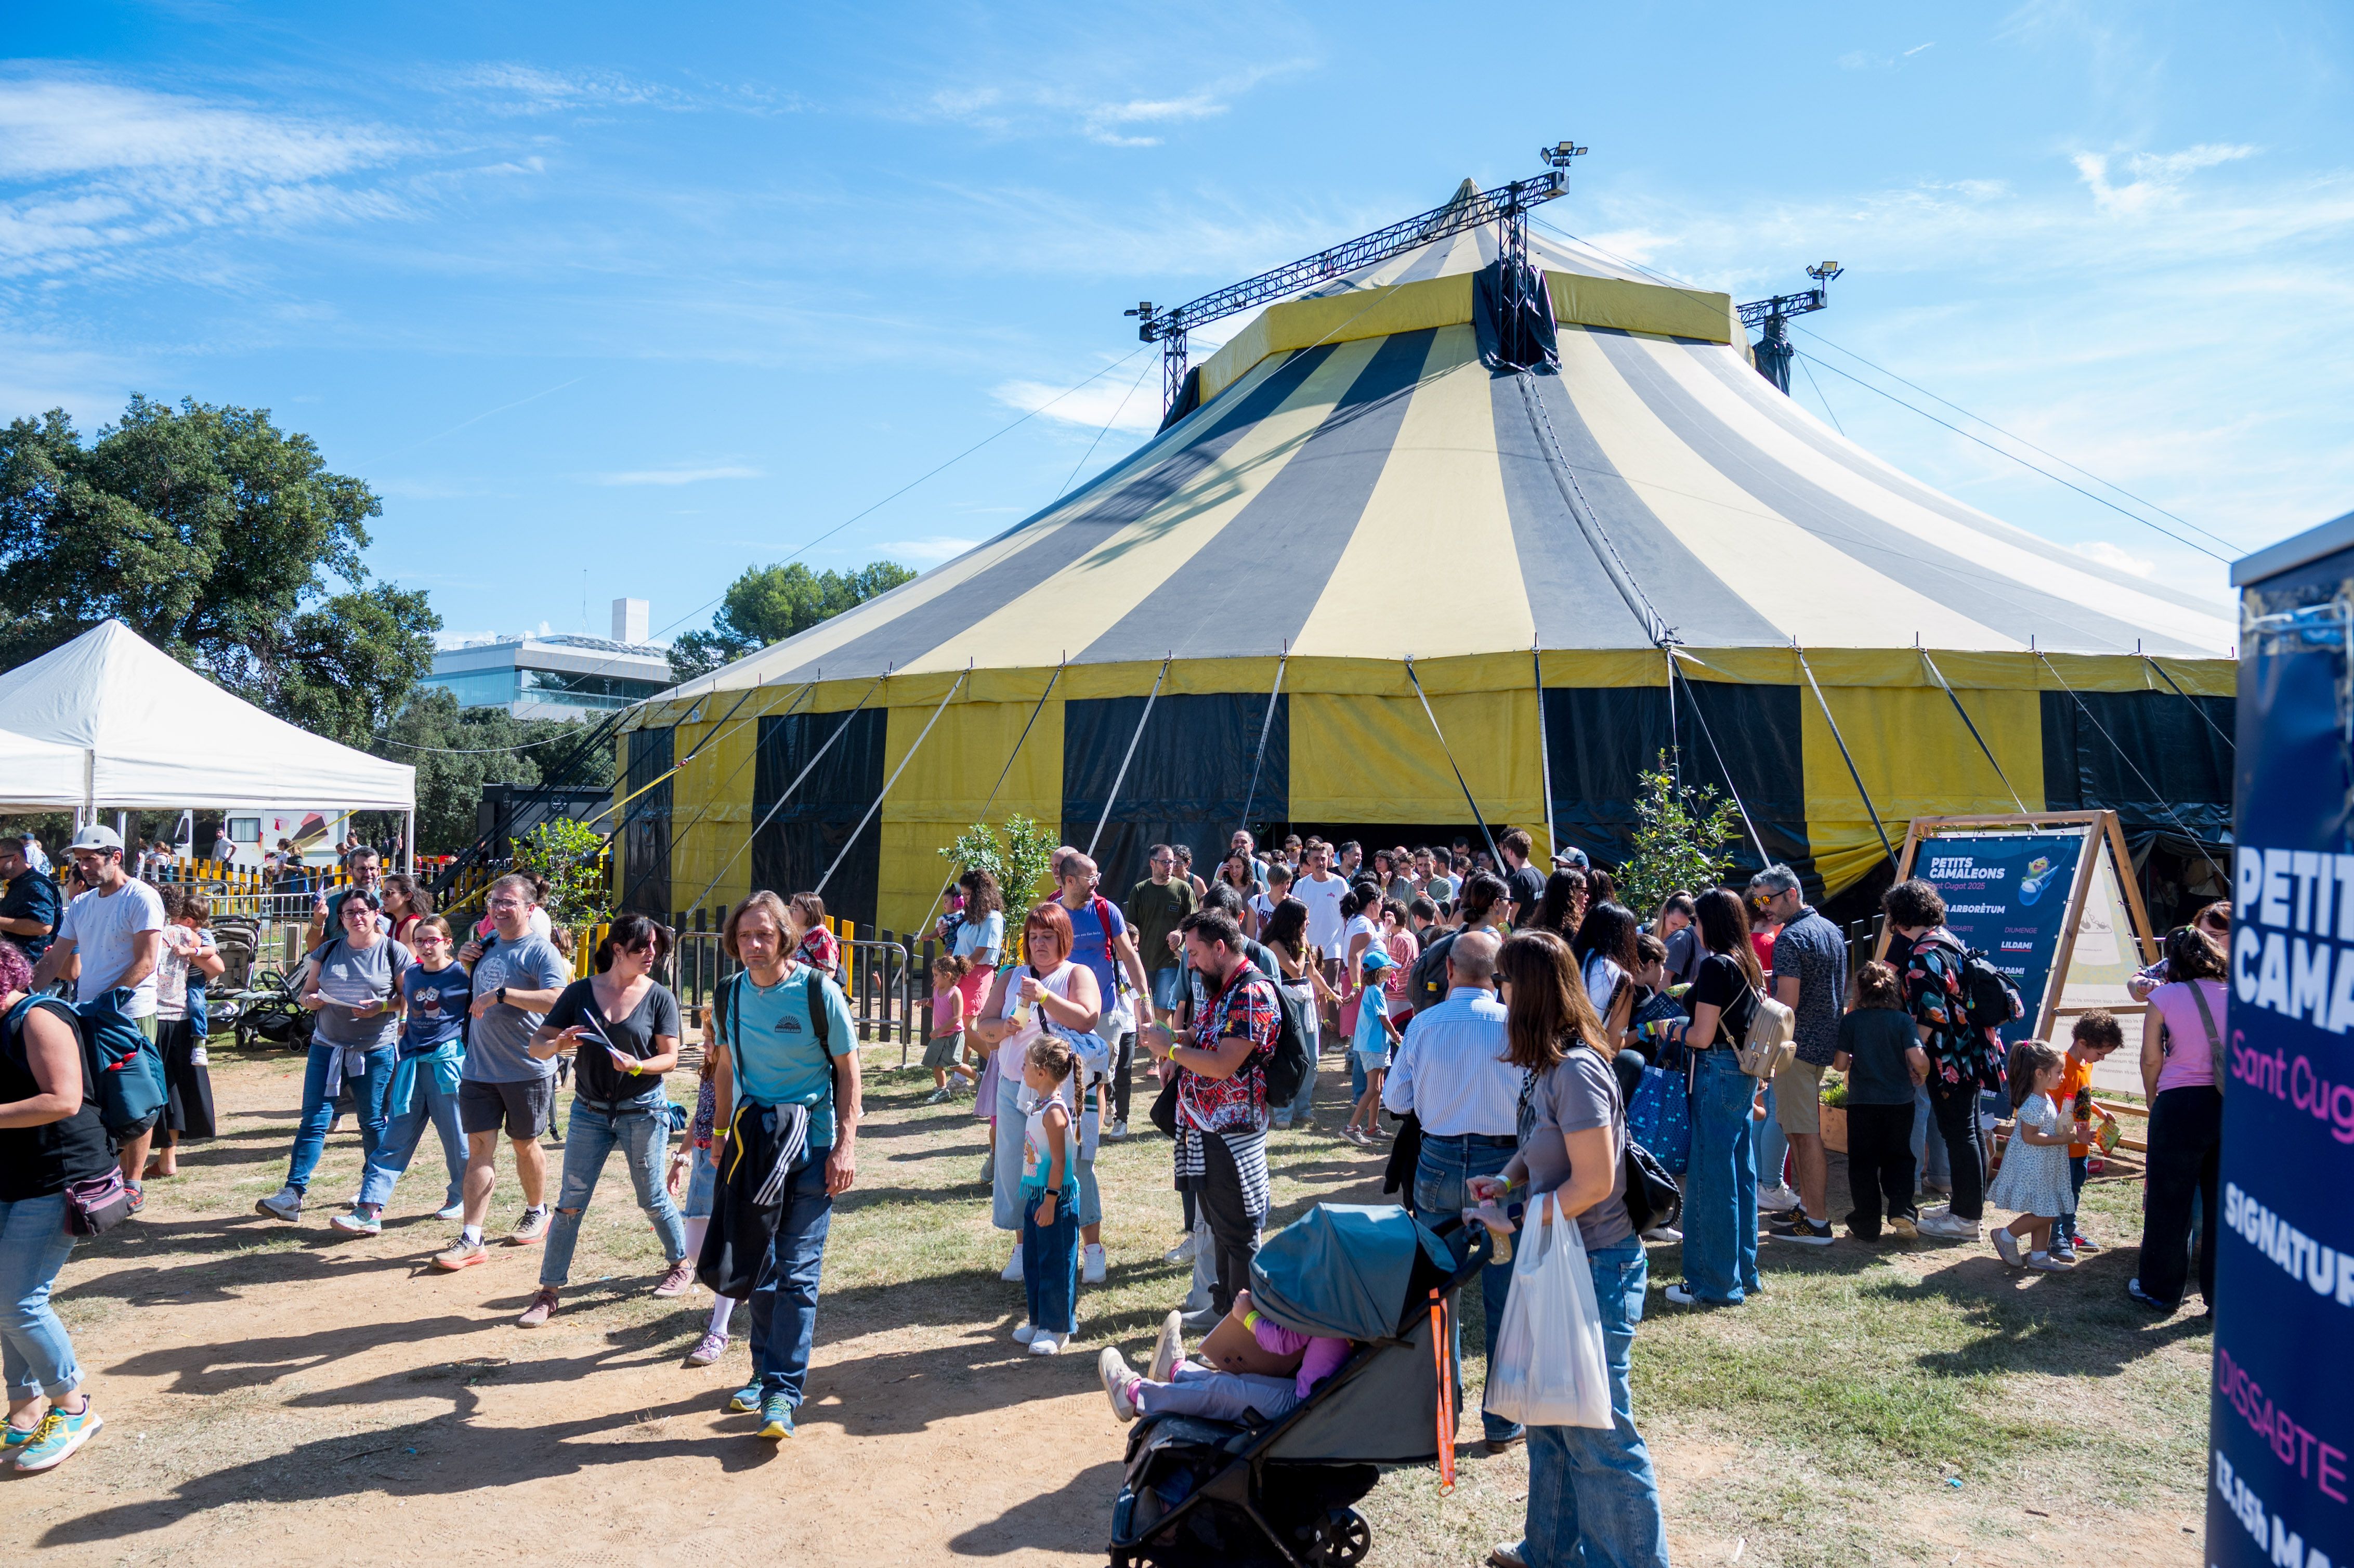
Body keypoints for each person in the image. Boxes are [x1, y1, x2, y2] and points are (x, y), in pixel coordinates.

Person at [1471, 928, 1670, 1568]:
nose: (1497, 994)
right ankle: (1549, 1549)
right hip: (1558, 1256)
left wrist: (1519, 1215)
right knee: (1551, 1417)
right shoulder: (1549, 1065)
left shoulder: (1580, 1069)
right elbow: (1543, 1147)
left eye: (1503, 983)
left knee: (1596, 1429)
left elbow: (1595, 1181)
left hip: (1593, 1264)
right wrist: (1506, 1180)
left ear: (1526, 990)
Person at [704, 891, 861, 1439]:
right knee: (761, 1267)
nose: (754, 944)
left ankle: (783, 1393)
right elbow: (724, 1068)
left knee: (797, 1271)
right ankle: (763, 1373)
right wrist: (718, 1133)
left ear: (785, 937)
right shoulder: (729, 993)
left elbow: (849, 1070)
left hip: (814, 1145)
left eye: (764, 934)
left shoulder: (818, 991)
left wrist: (846, 1144)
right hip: (755, 1145)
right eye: (745, 935)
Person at [1380, 927, 1524, 1449]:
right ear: (1497, 975)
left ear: (1448, 972)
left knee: (1439, 1293)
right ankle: (1503, 1421)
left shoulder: (1424, 1024)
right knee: (1504, 1294)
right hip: (1501, 1166)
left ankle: (1443, 1415)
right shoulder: (1515, 1025)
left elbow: (1397, 1101)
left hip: (1439, 1162)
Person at [516, 914, 694, 1326]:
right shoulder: (580, 992)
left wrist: (637, 1065)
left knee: (651, 1197)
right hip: (590, 1112)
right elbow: (537, 1046)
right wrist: (559, 1043)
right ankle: (548, 1291)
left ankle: (681, 1264)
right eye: (642, 948)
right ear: (617, 950)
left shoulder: (659, 997)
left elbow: (670, 1057)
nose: (652, 955)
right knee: (569, 1205)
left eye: (656, 948)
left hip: (643, 1110)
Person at [0, 937, 108, 1473]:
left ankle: (73, 1408)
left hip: (59, 1175)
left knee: (20, 1299)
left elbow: (63, 1098)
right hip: (14, 1174)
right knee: (4, 1296)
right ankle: (23, 1409)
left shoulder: (39, 1016)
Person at [1141, 910, 1279, 1321]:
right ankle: (1222, 1309)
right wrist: (1177, 1041)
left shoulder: (1251, 993)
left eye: (1196, 953)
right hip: (1207, 1128)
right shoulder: (1225, 987)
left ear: (1221, 948)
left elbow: (1223, 1064)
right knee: (1220, 1227)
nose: (1191, 963)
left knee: (1238, 1231)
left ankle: (1242, 1328)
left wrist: (1170, 1049)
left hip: (1232, 1134)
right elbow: (1209, 1038)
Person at [431, 875, 570, 1268]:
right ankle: (471, 1238)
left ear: (530, 909)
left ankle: (537, 1210)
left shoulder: (541, 952)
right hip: (479, 1066)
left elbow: (557, 1000)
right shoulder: (487, 945)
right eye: (494, 901)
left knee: (524, 1144)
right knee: (478, 1149)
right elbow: (467, 993)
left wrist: (504, 995)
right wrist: (463, 962)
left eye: (508, 902)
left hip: (527, 1067)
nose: (498, 908)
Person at [254, 886, 412, 1225]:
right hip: (328, 1046)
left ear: (375, 914)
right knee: (314, 1120)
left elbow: (406, 998)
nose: (356, 918)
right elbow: (307, 991)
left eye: (362, 911)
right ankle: (292, 1195)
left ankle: (372, 1200)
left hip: (375, 1050)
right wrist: (310, 1001)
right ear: (340, 919)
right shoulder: (327, 951)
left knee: (371, 1122)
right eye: (349, 913)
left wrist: (383, 1007)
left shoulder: (393, 952)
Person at [32, 826, 166, 1206]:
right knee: (93, 1099)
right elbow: (54, 960)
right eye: (80, 860)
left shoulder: (142, 897)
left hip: (130, 1015)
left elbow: (145, 963)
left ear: (116, 857)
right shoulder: (81, 905)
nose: (84, 867)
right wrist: (21, 995)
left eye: (91, 858)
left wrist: (106, 1001)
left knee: (136, 1097)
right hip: (88, 1015)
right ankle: (105, 1175)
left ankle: (134, 1182)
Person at [972, 901, 1104, 1286]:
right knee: (1017, 1168)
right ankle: (1022, 1246)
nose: (1039, 944)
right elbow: (985, 1027)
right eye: (1033, 937)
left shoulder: (1076, 973)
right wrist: (1004, 1028)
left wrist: (1044, 997)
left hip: (1062, 1091)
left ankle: (1092, 1249)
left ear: (1063, 939)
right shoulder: (1011, 976)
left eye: (1048, 936)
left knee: (1074, 1167)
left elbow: (1087, 1017)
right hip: (1015, 1086)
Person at [1649, 888, 1769, 1308]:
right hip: (1741, 1075)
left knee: (1710, 1179)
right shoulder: (1746, 962)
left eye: (1698, 921)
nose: (1694, 929)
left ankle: (1713, 1284)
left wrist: (1671, 1030)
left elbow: (1702, 1034)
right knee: (1739, 1173)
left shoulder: (1718, 966)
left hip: (1716, 1072)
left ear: (1709, 923)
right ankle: (1742, 1273)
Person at [1883, 878, 2000, 1243]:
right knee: (1967, 1132)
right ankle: (1967, 1209)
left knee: (1960, 1133)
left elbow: (1930, 1016)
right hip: (1972, 1051)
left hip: (1950, 1058)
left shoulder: (1921, 954)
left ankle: (1966, 1218)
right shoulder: (1946, 940)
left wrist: (1915, 1059)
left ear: (1899, 917)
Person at [342, 914, 470, 1231]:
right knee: (394, 1139)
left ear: (447, 942)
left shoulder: (464, 974)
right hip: (411, 1065)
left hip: (447, 1068)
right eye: (420, 941)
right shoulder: (412, 974)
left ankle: (461, 1197)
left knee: (457, 1139)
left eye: (433, 941)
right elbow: (403, 1000)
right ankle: (369, 1209)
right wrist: (382, 1008)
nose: (426, 947)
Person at [2129, 924, 2228, 1314]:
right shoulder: (2241, 997)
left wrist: (2154, 1095)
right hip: (2229, 1105)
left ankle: (2160, 1290)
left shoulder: (2166, 996)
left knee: (2169, 1202)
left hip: (2179, 1103)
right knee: (2225, 1206)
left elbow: (2151, 1057)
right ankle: (2222, 1298)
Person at [1748, 864, 1846, 1247]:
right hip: (1821, 1044)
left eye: (1767, 899)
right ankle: (1808, 1209)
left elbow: (1784, 1008)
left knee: (1804, 1135)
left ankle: (1817, 1223)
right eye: (1758, 901)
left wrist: (1766, 1051)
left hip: (1796, 1049)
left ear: (1791, 894)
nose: (1762, 908)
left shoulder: (1791, 939)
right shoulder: (1830, 929)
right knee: (1797, 1130)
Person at [1100, 1288, 1348, 1425]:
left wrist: (1248, 1316)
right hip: (1311, 1399)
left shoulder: (1338, 1309)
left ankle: (1133, 1396)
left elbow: (1283, 1341)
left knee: (1223, 1394)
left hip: (1304, 1410)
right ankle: (1177, 1372)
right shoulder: (1361, 1310)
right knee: (1233, 1384)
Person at [1833, 960, 1927, 1241]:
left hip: (1862, 1103)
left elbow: (1838, 1065)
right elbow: (1920, 1060)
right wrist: (1920, 1074)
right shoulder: (1902, 1021)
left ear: (1860, 992)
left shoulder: (1851, 1022)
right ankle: (1902, 1210)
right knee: (1899, 1157)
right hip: (1899, 1102)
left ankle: (1866, 1223)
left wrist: (1853, 1059)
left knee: (1862, 1164)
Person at [1011, 1034, 1082, 1355]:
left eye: (1026, 1063)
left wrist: (1051, 1201)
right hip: (1038, 1196)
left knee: (1056, 1261)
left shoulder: (1054, 1113)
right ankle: (1040, 1321)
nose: (1022, 1066)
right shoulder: (1039, 1105)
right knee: (1035, 1261)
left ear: (1041, 1072)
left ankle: (1057, 1328)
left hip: (1056, 1199)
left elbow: (1059, 1162)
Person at [145, 886, 223, 1182]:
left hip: (156, 1016)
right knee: (173, 1087)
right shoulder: (188, 934)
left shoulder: (160, 932)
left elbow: (216, 966)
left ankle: (143, 1163)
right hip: (181, 1017)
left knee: (153, 1087)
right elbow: (216, 967)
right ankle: (167, 1157)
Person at [1982, 1040, 2077, 1272]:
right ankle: (2006, 1236)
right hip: (2033, 1167)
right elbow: (2029, 1136)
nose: (2063, 1077)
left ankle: (2038, 1256)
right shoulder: (2034, 1103)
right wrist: (2061, 1140)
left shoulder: (2045, 1099)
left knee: (2045, 1209)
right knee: (2048, 1212)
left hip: (2044, 1167)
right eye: (2059, 1072)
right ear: (2040, 1073)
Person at [1260, 897, 1337, 1133]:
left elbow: (1311, 972)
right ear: (1292, 921)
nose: (1309, 924)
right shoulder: (1274, 943)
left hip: (1306, 1001)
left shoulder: (1300, 941)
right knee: (1287, 1057)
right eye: (1305, 920)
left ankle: (1303, 1109)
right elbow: (1295, 969)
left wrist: (1333, 995)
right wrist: (1304, 947)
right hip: (1285, 1002)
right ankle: (1284, 1111)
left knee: (1312, 1058)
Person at [2052, 1012, 2124, 1259]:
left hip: (2080, 1148)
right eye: (2100, 1053)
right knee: (2060, 1192)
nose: (2102, 1059)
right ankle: (2055, 1238)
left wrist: (2100, 1111)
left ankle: (2070, 1232)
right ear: (2083, 1043)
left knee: (2074, 1190)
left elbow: (2081, 1098)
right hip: (2063, 1147)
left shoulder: (2086, 1064)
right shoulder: (2060, 1067)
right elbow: (2052, 1110)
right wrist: (2072, 1136)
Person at [1129, 845, 1197, 1029]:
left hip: (1171, 960)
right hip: (1144, 960)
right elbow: (1130, 929)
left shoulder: (1183, 889)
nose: (1170, 866)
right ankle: (1154, 1044)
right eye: (1165, 862)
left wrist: (1180, 933)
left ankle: (1158, 1056)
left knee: (1163, 1008)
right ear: (1152, 863)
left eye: (1172, 862)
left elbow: (1194, 922)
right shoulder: (1139, 890)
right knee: (1145, 1006)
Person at [1342, 945, 1400, 1147]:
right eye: (1389, 969)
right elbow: (1383, 1018)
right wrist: (1396, 1036)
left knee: (1379, 1088)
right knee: (1373, 1087)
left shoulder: (1373, 990)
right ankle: (1351, 1128)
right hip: (1372, 1046)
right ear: (1380, 972)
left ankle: (1372, 1128)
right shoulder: (1376, 992)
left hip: (1377, 1046)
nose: (1392, 972)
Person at [2126, 901, 2231, 1002]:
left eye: (2213, 935)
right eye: (2200, 935)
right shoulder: (2183, 962)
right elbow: (2134, 982)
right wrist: (2143, 986)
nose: (2205, 940)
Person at [1293, 843, 1348, 1009]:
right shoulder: (1301, 886)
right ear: (1308, 861)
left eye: (1323, 859)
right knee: (1312, 1003)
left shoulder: (1340, 884)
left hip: (1333, 953)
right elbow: (1294, 920)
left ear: (1329, 859)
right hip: (1308, 954)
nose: (1320, 863)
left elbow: (1348, 918)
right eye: (1316, 859)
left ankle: (1335, 1036)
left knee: (1333, 1003)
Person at [304, 845, 388, 949]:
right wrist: (318, 922)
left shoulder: (388, 902)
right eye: (362, 869)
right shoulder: (333, 903)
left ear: (378, 870)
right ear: (349, 871)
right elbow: (314, 949)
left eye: (372, 869)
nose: (368, 874)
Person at [0, 835, 62, 966]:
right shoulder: (21, 883)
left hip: (34, 970)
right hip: (22, 967)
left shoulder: (36, 885)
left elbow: (43, 926)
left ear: (16, 859)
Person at [788, 892, 841, 984]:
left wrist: (813, 993)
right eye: (790, 908)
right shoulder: (798, 936)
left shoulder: (821, 936)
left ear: (809, 912)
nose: (790, 912)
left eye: (794, 909)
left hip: (810, 994)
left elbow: (828, 972)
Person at [1497, 828, 1546, 923]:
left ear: (1510, 851)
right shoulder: (1541, 875)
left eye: (1506, 850)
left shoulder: (1518, 879)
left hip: (1522, 934)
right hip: (1537, 932)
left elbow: (1511, 916)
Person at [381, 873, 432, 950]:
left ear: (408, 896)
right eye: (383, 893)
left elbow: (405, 960)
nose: (383, 897)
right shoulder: (397, 920)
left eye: (389, 893)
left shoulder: (411, 925)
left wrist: (380, 935)